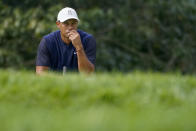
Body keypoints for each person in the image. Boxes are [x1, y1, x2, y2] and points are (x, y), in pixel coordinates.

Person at [36, 7, 96, 75]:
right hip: (54, 84)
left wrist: (79, 47)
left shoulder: (88, 40)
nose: (70, 27)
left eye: (73, 23)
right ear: (58, 24)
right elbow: (40, 73)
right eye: (66, 23)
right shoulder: (47, 41)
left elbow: (88, 73)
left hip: (79, 84)